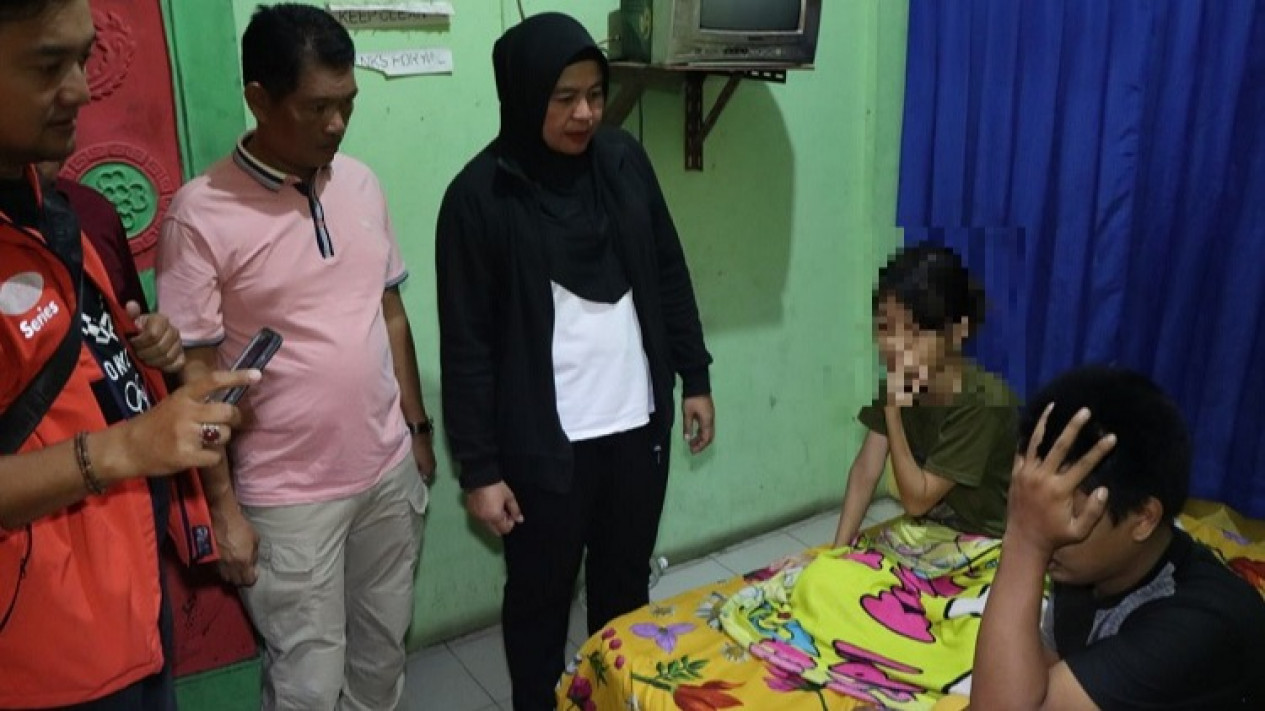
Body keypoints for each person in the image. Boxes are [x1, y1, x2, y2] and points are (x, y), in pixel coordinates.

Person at [156, 5, 435, 709]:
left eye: (348, 104)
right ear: (259, 98)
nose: (337, 124)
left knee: (381, 656)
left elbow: (389, 312)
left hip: (386, 472)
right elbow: (195, 379)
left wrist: (417, 429)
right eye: (316, 107)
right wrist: (224, 511)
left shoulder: (361, 183)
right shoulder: (200, 214)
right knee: (307, 682)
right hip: (286, 496)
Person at [436, 12, 715, 710]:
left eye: (594, 94)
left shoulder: (621, 162)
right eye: (564, 98)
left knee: (624, 592)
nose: (585, 113)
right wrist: (480, 469)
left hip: (635, 431)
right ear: (525, 95)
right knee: (539, 600)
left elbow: (668, 270)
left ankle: (616, 700)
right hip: (542, 451)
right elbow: (466, 345)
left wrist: (695, 376)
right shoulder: (479, 198)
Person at [0, 0, 258, 707]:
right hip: (41, 651)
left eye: (83, 58)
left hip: (125, 601)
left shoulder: (46, 205)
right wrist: (126, 448)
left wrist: (153, 365)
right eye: (49, 65)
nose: (82, 89)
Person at [972, 366, 1265, 710]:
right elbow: (1030, 680)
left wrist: (1027, 543)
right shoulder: (1082, 564)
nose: (1045, 528)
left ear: (1143, 518)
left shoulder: (1195, 626)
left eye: (1069, 514)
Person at [833, 243, 1019, 549]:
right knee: (819, 573)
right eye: (886, 328)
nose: (892, 344)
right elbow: (866, 470)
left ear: (957, 331)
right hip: (929, 532)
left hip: (986, 544)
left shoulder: (983, 401)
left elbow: (916, 501)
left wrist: (893, 414)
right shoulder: (901, 380)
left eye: (913, 331)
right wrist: (837, 550)